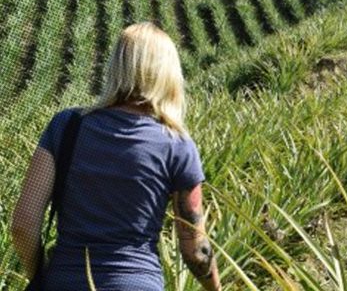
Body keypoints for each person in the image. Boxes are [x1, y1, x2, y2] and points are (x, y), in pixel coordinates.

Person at [11, 22, 221, 290]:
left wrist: (40, 276)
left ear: (116, 67)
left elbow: (23, 224)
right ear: (168, 75)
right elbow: (195, 249)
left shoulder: (66, 126)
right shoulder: (177, 144)